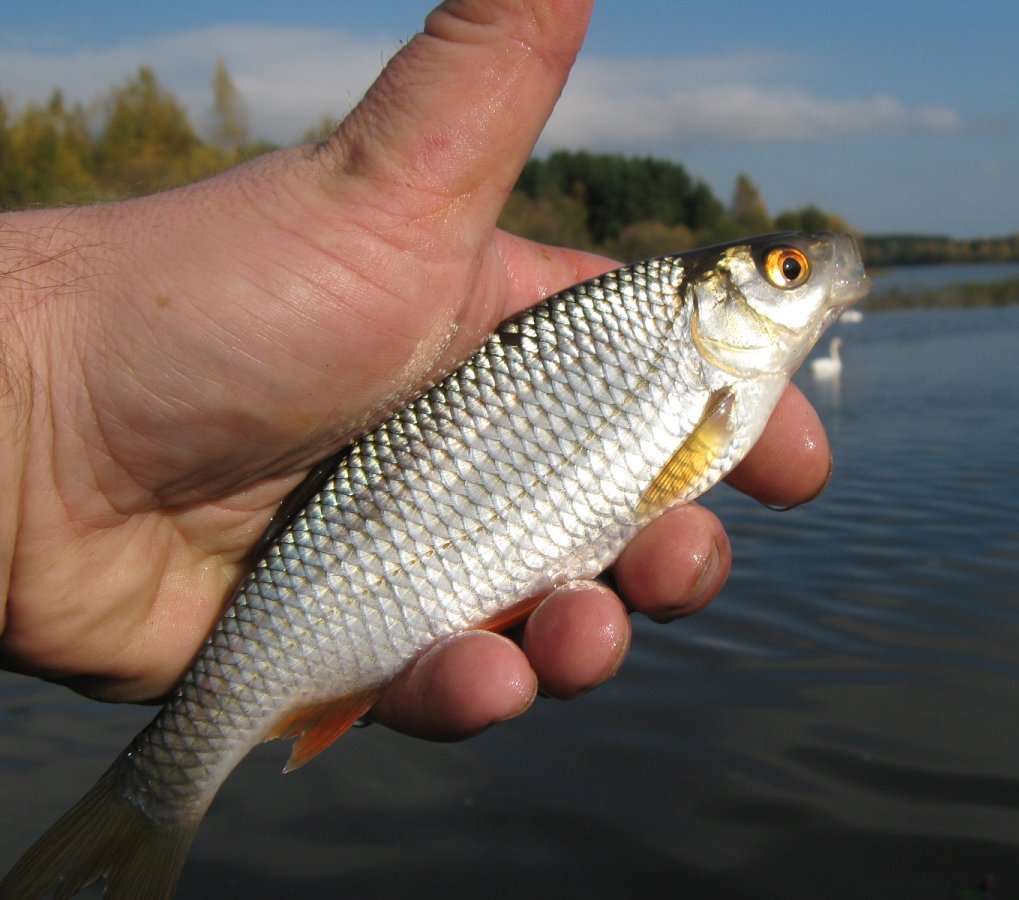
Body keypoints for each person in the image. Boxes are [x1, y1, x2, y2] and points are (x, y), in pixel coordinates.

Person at [0, 0, 832, 741]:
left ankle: (198, 754)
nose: (811, 270)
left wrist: (46, 420)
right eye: (789, 270)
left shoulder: (701, 366)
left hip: (280, 583)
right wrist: (48, 404)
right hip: (296, 580)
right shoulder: (699, 368)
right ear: (710, 300)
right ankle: (179, 771)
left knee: (546, 639)